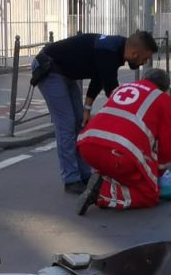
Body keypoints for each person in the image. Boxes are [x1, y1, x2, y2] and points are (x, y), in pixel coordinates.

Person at [30, 30, 157, 193]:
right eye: (144, 59)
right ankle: (70, 179)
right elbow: (113, 92)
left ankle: (84, 175)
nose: (142, 63)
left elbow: (99, 76)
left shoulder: (117, 49)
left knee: (79, 123)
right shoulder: (110, 51)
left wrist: (87, 108)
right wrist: (131, 122)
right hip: (50, 68)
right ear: (134, 52)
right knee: (67, 125)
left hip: (66, 73)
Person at [75, 66, 171, 214]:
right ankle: (103, 192)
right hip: (119, 154)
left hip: (87, 146)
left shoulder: (122, 88)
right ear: (164, 88)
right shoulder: (163, 99)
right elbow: (166, 145)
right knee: (150, 194)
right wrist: (159, 173)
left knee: (124, 166)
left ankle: (105, 179)